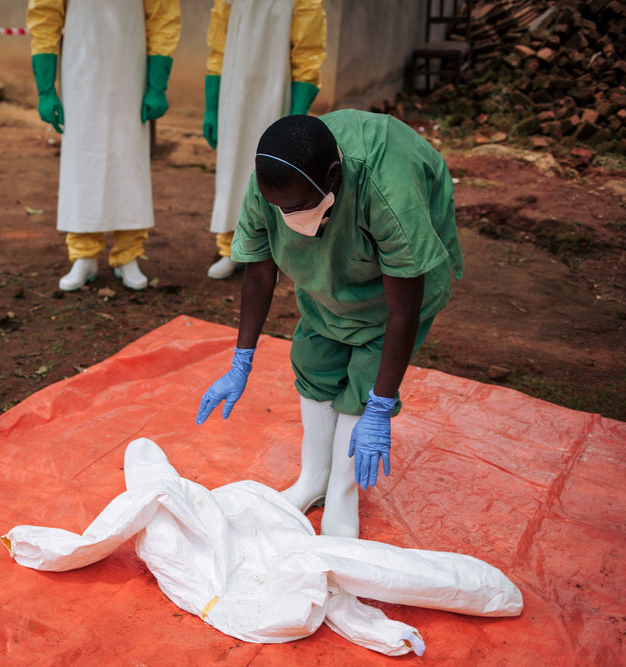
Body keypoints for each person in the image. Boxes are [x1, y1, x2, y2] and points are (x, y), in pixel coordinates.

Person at [196, 111, 464, 538]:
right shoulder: (269, 185)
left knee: (366, 378)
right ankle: (314, 480)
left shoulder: (388, 190)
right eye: (280, 208)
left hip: (391, 301)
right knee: (314, 360)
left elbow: (403, 312)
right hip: (328, 280)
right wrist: (241, 360)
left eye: (298, 207)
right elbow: (260, 270)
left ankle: (342, 495)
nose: (289, 218)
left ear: (334, 176)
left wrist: (380, 404)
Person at [26, 0, 181, 291]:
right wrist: (46, 88)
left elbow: (162, 15)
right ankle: (84, 254)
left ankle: (128, 254)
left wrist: (157, 84)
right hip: (79, 73)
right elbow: (44, 13)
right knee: (81, 160)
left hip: (130, 73)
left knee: (128, 160)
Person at [202, 0, 326, 280]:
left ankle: (275, 250)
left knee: (277, 173)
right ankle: (230, 247)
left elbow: (308, 51)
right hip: (233, 97)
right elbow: (218, 47)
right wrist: (211, 107)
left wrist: (297, 113)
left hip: (276, 94)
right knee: (232, 173)